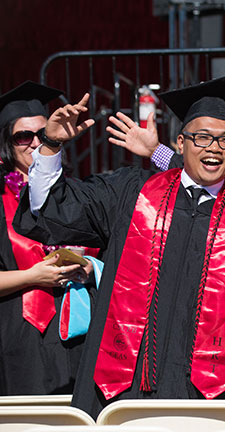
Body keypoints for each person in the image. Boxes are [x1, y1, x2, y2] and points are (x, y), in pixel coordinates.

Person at [13, 76, 225, 418]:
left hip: (202, 390)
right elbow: (52, 207)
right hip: (121, 384)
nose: (214, 148)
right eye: (202, 137)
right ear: (180, 143)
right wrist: (50, 145)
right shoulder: (132, 192)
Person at [0, 81, 93, 395]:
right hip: (20, 339)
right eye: (23, 136)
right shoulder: (0, 203)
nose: (34, 143)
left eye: (43, 134)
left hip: (80, 336)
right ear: (7, 144)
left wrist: (91, 266)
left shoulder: (76, 195)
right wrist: (32, 275)